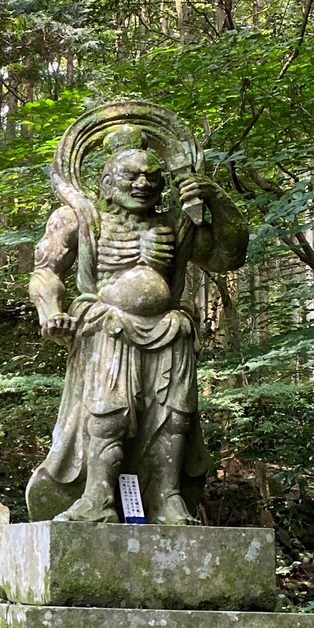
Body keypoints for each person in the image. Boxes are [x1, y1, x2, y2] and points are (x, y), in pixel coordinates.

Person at [27, 122, 247, 524]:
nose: (143, 183)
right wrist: (50, 312)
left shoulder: (175, 224)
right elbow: (45, 271)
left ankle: (167, 497)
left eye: (153, 177)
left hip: (170, 328)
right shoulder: (81, 217)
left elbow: (228, 256)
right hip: (107, 325)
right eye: (132, 175)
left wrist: (213, 196)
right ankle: (98, 497)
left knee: (176, 415)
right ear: (107, 181)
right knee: (109, 413)